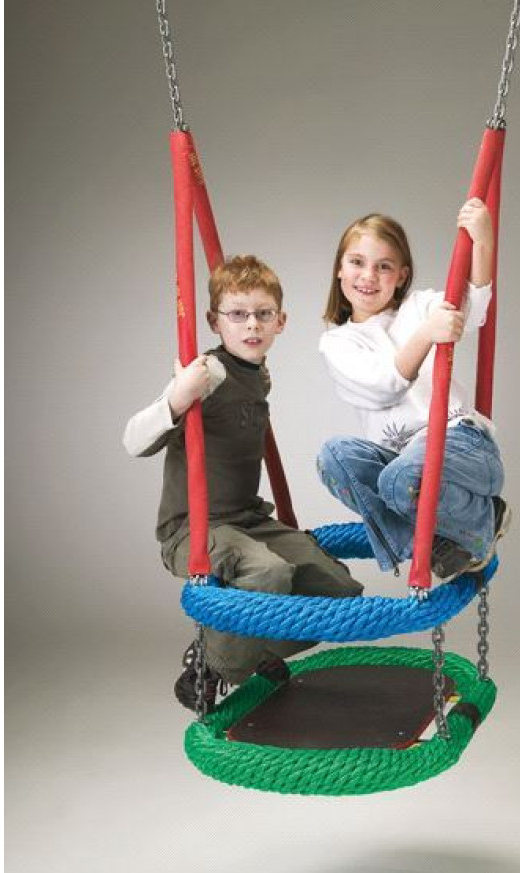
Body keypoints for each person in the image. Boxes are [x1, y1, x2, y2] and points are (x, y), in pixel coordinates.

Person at [124, 255, 363, 711]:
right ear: (214, 322)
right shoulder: (207, 374)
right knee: (269, 574)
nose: (251, 324)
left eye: (263, 314)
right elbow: (134, 441)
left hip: (247, 519)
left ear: (280, 322)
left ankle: (252, 651)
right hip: (193, 528)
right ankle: (209, 666)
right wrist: (177, 398)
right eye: (237, 314)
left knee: (337, 590)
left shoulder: (259, 374)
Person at [316, 201, 511, 580]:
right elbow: (385, 387)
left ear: (401, 276)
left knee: (399, 479)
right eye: (357, 262)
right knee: (334, 457)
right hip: (404, 462)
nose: (368, 276)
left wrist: (484, 243)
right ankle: (433, 542)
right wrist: (427, 336)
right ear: (339, 268)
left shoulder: (420, 307)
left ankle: (485, 518)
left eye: (383, 266)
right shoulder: (338, 343)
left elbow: (473, 308)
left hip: (461, 444)